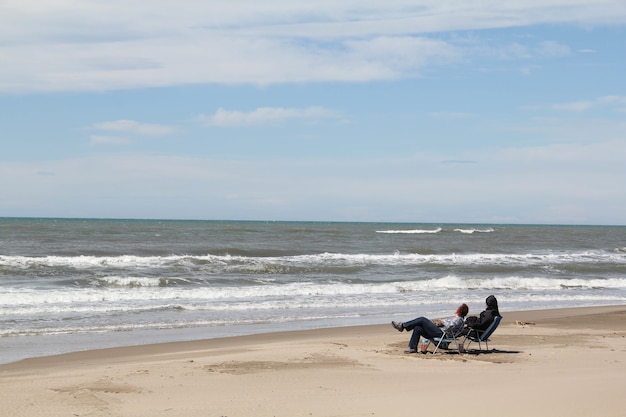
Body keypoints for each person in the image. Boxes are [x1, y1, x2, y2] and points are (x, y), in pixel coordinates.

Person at [391, 304, 469, 354]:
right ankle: (412, 348)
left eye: (458, 308)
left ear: (460, 310)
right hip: (440, 331)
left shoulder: (459, 320)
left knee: (422, 319)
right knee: (418, 328)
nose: (456, 309)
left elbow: (450, 326)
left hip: (442, 334)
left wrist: (442, 321)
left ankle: (403, 326)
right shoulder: (458, 319)